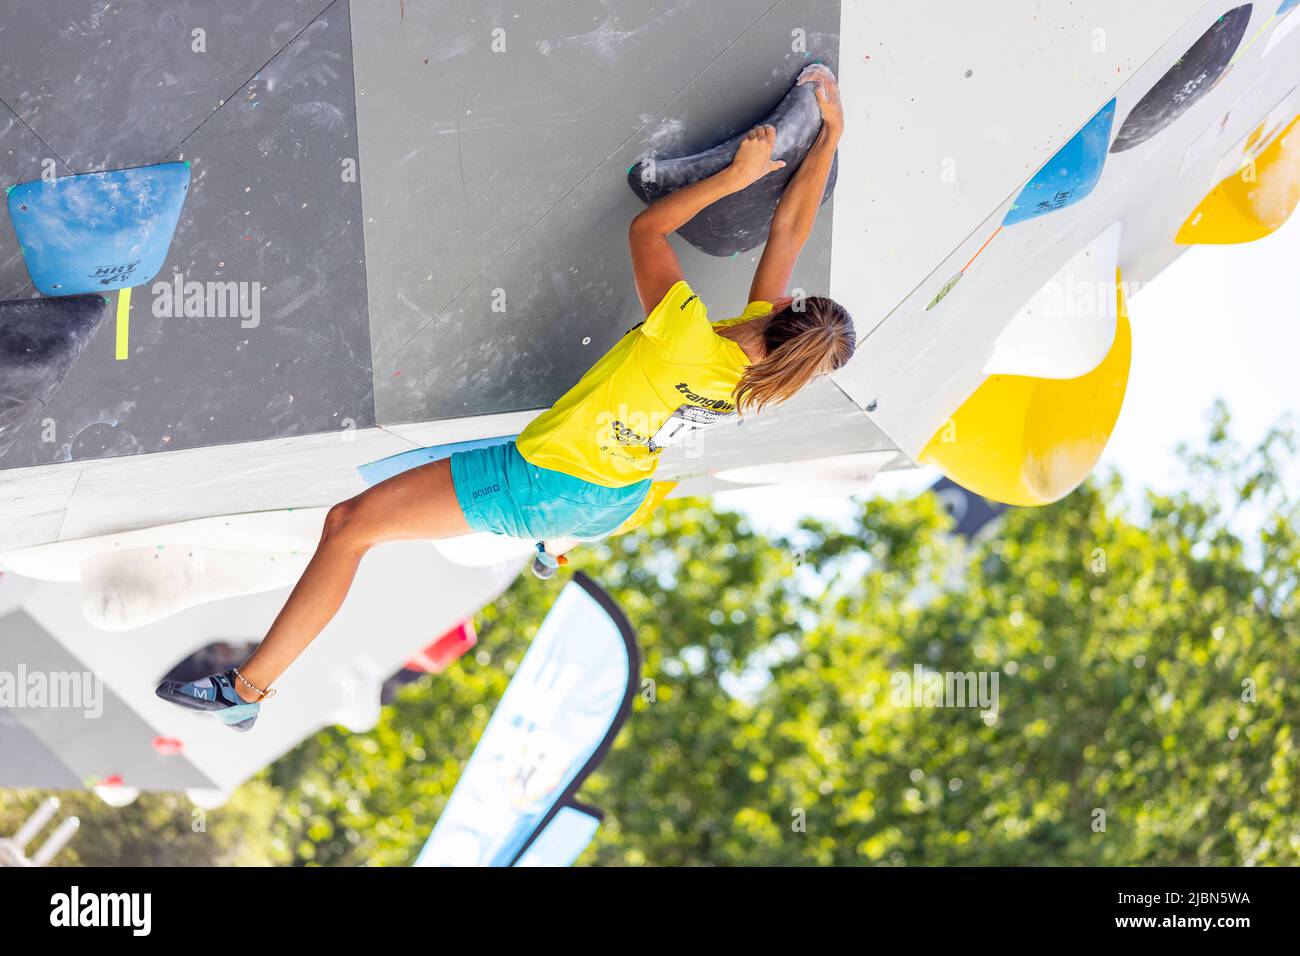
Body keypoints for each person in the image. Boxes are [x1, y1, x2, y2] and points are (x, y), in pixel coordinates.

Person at [155, 64, 855, 731]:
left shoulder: (687, 335)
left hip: (555, 481)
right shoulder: (763, 380)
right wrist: (828, 138)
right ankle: (549, 546)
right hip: (612, 497)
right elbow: (789, 228)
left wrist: (736, 177)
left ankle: (244, 693)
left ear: (789, 309)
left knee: (350, 527)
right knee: (523, 478)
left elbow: (648, 230)